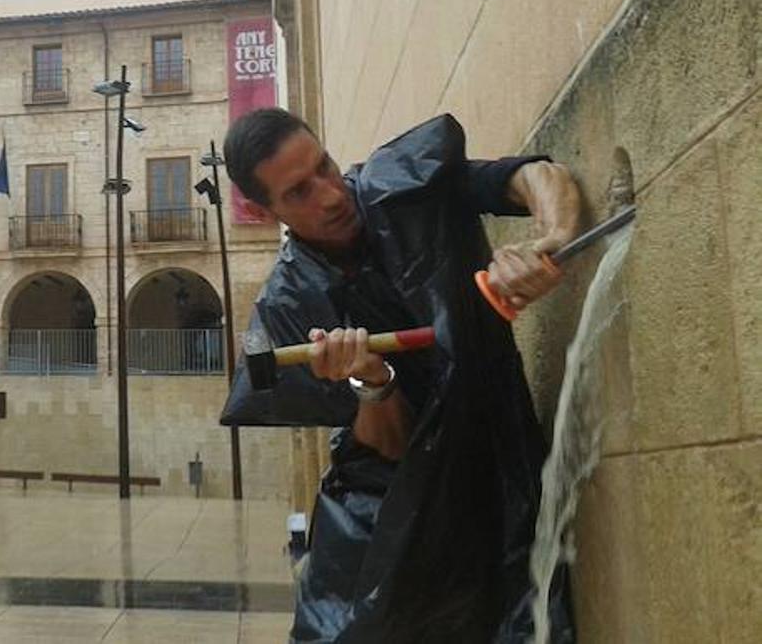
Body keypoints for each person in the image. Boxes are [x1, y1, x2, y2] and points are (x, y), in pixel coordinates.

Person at [222, 109, 581, 643]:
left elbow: (531, 176)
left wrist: (549, 242)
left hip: (497, 458)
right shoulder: (290, 306)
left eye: (324, 165)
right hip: (389, 501)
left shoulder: (405, 182)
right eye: (298, 192)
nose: (330, 195)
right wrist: (372, 379)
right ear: (262, 208)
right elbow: (388, 445)